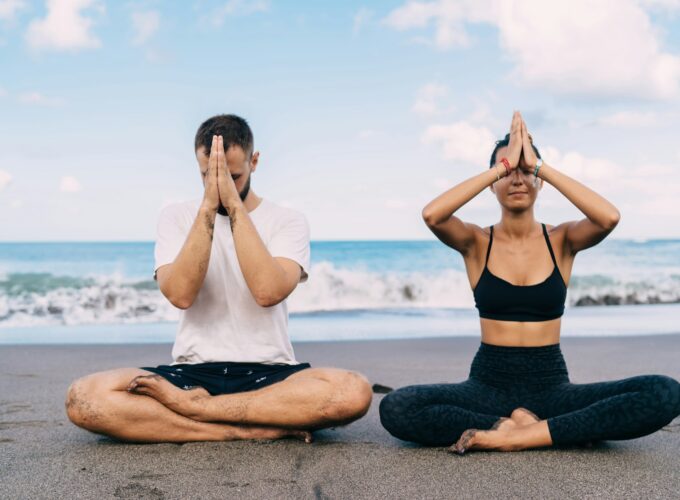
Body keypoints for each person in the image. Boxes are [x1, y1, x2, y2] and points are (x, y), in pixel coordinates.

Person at [379, 111, 680, 453]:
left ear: (539, 181)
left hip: (551, 386)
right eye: (507, 170)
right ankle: (519, 427)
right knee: (397, 407)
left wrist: (541, 167)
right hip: (486, 387)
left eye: (526, 170)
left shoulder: (562, 239)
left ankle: (517, 436)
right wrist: (502, 166)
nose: (517, 178)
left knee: (665, 392)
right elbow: (433, 215)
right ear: (492, 183)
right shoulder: (476, 242)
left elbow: (609, 217)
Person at [66, 114, 372, 443]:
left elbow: (267, 291)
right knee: (84, 397)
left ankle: (200, 413)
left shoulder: (288, 220)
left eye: (234, 176)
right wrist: (209, 208)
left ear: (254, 162)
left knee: (353, 392)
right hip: (190, 373)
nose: (221, 184)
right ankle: (235, 430)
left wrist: (235, 208)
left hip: (271, 374)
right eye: (207, 175)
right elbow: (180, 295)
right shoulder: (176, 217)